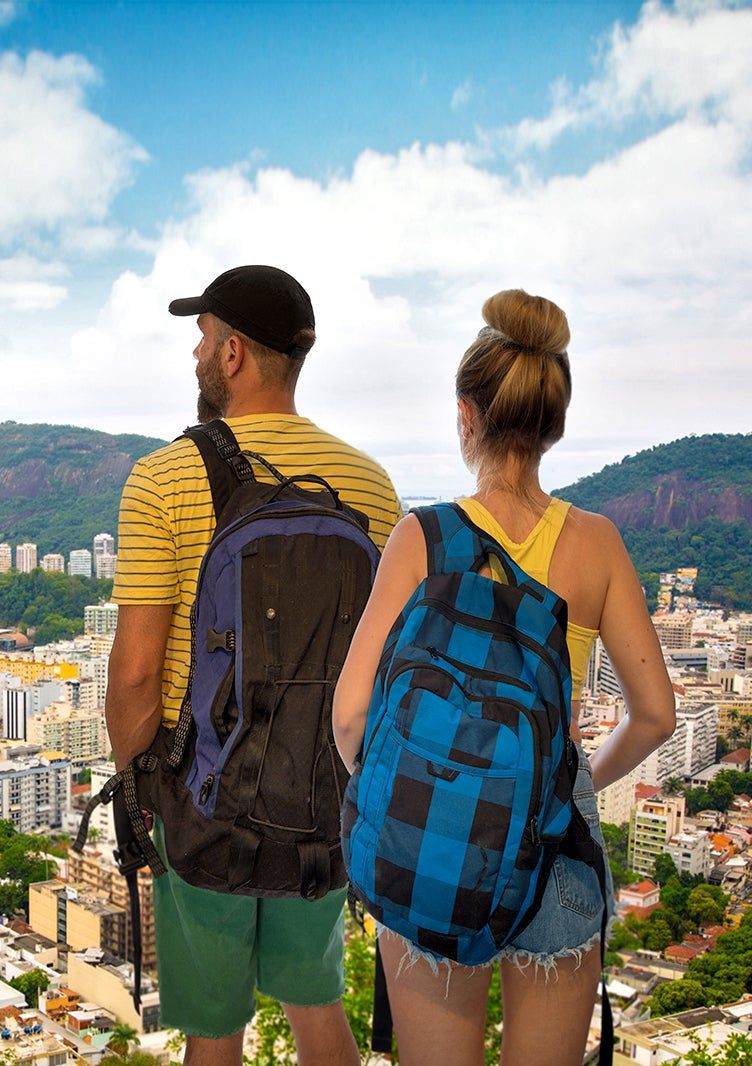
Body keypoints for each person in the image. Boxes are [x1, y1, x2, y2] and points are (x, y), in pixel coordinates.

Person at [331, 290, 677, 1066]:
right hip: (556, 833)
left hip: (432, 828)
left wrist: (412, 787)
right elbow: (655, 714)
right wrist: (574, 776)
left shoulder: (421, 537)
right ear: (553, 426)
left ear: (466, 414)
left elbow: (349, 717)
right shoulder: (599, 544)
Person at [107, 265, 402, 1066]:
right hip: (322, 792)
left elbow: (135, 673)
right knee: (318, 1008)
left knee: (214, 1032)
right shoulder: (371, 486)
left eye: (202, 337)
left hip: (201, 794)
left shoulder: (165, 477)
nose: (196, 355)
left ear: (233, 353)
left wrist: (137, 792)